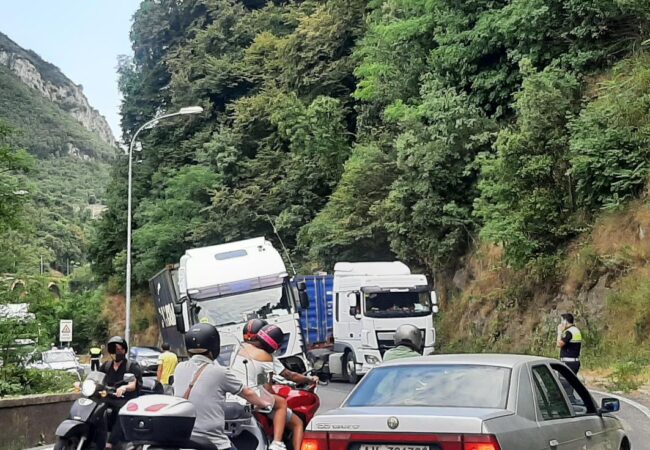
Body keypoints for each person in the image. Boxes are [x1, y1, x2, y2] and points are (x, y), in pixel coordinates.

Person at [173, 323, 272, 450]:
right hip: (214, 441)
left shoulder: (179, 368)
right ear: (214, 346)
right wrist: (263, 403)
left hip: (185, 439)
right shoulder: (219, 371)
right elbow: (247, 393)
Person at [237, 322, 316, 450]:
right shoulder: (266, 356)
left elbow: (260, 376)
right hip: (252, 398)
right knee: (294, 420)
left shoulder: (239, 349)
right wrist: (309, 379)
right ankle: (277, 443)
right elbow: (284, 378)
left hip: (234, 396)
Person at [100, 336, 143, 449]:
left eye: (118, 349)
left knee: (122, 412)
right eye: (113, 349)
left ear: (124, 350)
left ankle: (111, 442)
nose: (116, 352)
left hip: (125, 399)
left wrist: (124, 387)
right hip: (108, 397)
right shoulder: (106, 366)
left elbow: (133, 384)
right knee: (96, 408)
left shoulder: (131, 366)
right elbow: (97, 378)